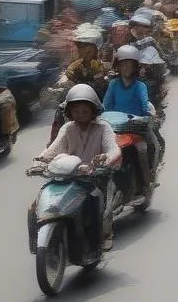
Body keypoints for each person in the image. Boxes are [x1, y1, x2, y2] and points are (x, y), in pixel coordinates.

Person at [36, 84, 121, 248]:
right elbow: (53, 149)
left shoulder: (104, 127)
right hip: (69, 177)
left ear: (93, 111)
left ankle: (106, 233)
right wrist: (39, 161)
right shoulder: (67, 128)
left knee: (100, 204)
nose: (80, 115)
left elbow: (113, 149)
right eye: (76, 111)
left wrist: (105, 159)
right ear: (69, 112)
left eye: (85, 111)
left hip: (96, 177)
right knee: (39, 202)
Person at [102, 44, 158, 197]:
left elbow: (145, 104)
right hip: (113, 128)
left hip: (135, 128)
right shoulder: (113, 85)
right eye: (123, 64)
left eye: (130, 64)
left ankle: (145, 185)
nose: (126, 68)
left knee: (141, 150)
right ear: (118, 66)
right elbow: (105, 106)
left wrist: (148, 115)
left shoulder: (140, 86)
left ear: (135, 67)